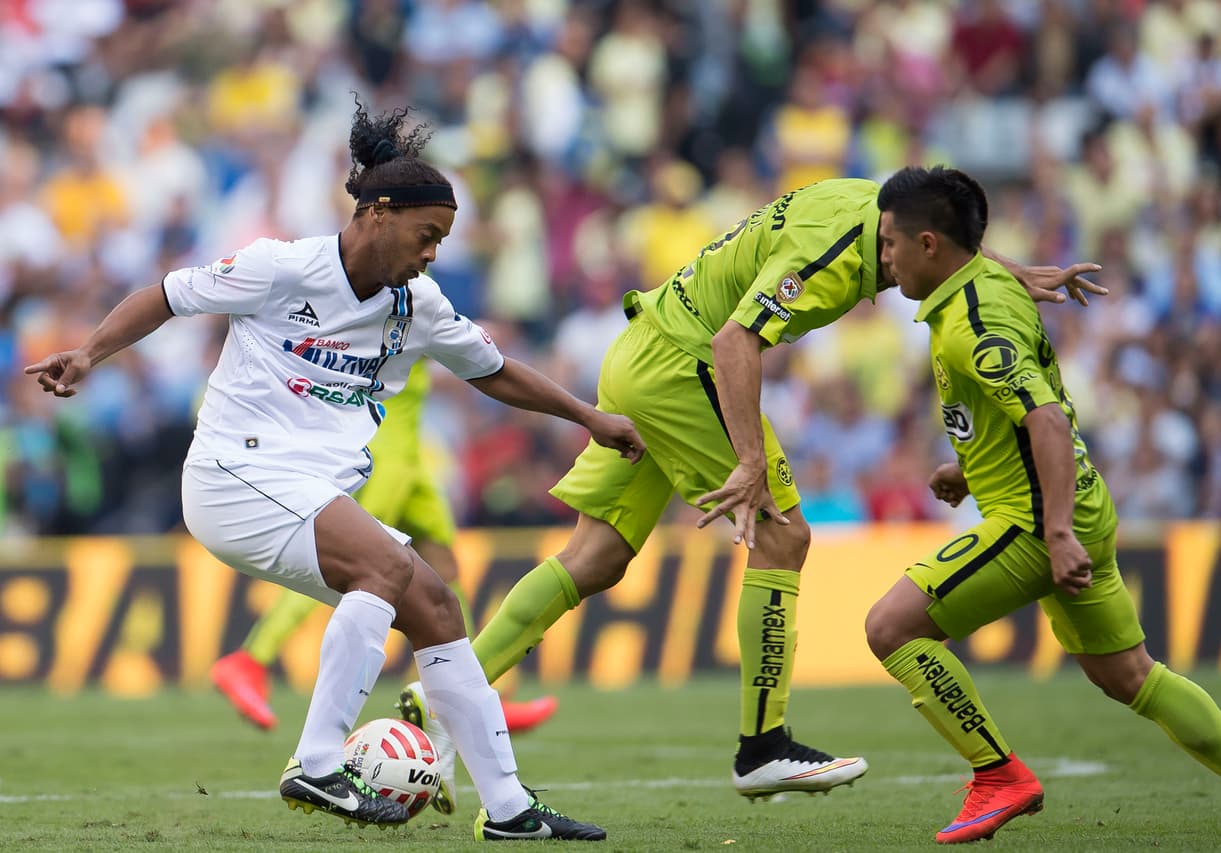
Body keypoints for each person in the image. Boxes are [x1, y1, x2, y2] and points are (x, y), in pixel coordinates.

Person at [26, 99, 643, 841]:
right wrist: (89, 352)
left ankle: (509, 808)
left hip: (309, 492)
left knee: (438, 608)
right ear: (378, 214)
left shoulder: (416, 305)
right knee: (384, 566)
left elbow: (495, 371)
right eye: (427, 235)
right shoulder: (282, 268)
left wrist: (590, 416)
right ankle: (318, 760)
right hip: (231, 474)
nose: (432, 254)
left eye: (441, 242)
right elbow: (166, 295)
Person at [401, 175, 1105, 803]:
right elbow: (736, 342)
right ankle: (762, 746)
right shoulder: (833, 256)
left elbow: (935, 247)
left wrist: (1009, 273)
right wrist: (748, 460)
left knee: (597, 555)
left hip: (641, 353)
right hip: (687, 362)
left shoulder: (874, 204)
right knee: (781, 534)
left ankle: (439, 691)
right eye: (890, 250)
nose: (891, 266)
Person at [865, 165, 1221, 845]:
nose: (883, 259)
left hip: (1037, 521)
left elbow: (1048, 421)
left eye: (890, 244)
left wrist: (1055, 533)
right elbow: (1020, 418)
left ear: (931, 245)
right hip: (1078, 503)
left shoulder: (974, 321)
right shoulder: (990, 281)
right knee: (1132, 676)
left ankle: (997, 773)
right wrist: (972, 469)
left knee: (891, 628)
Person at [209, 358, 558, 747]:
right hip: (382, 449)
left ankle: (478, 690)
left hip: (411, 453)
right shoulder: (394, 301)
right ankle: (252, 658)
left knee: (442, 565)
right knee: (352, 559)